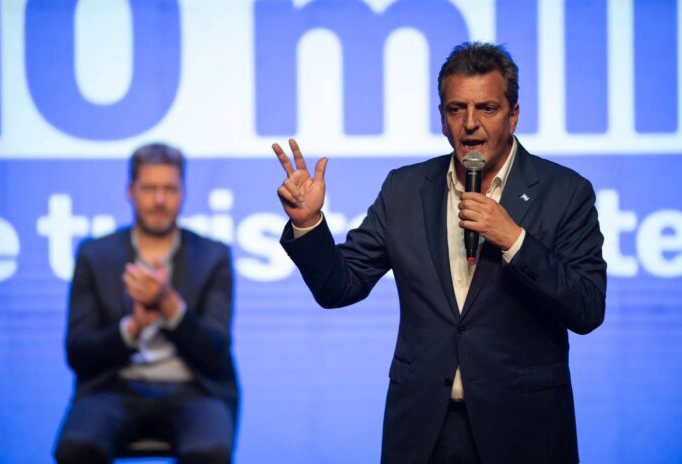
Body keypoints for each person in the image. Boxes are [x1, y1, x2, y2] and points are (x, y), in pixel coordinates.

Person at [272, 42, 606, 463]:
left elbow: (587, 308)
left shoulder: (565, 192)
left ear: (514, 115)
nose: (471, 123)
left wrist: (514, 240)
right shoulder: (405, 189)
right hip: (424, 430)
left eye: (487, 108)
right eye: (456, 109)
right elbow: (340, 286)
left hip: (524, 429)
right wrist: (308, 223)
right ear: (442, 118)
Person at [53, 143, 238, 464]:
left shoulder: (212, 256)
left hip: (193, 390)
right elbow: (78, 353)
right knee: (76, 447)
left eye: (170, 189)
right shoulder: (95, 255)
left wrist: (169, 305)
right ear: (130, 191)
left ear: (183, 193)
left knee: (210, 452)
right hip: (113, 388)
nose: (160, 200)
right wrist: (133, 327)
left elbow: (216, 351)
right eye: (150, 188)